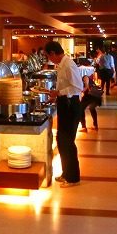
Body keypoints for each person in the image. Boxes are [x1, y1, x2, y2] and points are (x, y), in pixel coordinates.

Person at [45, 41, 84, 188]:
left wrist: (59, 93)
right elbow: (64, 86)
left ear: (53, 53)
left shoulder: (68, 64)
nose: (49, 59)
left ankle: (73, 178)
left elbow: (77, 87)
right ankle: (66, 173)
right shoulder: (61, 64)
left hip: (71, 106)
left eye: (48, 56)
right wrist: (55, 96)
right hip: (64, 104)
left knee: (68, 142)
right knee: (61, 140)